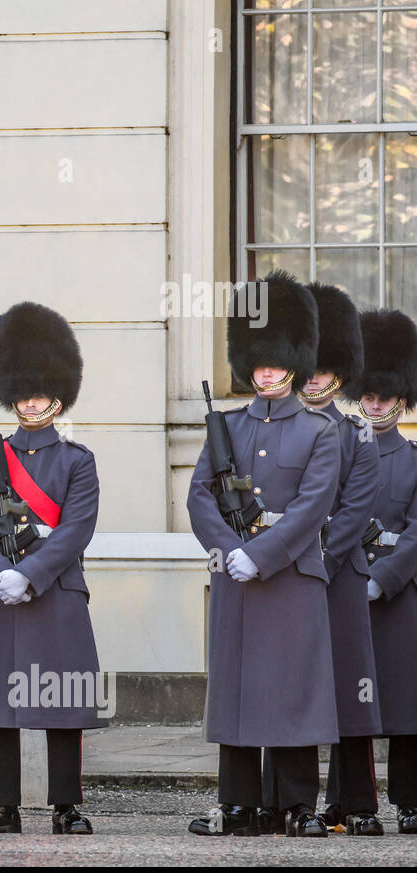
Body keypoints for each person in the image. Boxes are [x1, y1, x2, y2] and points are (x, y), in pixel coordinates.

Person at [187, 271, 339, 837]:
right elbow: (200, 495)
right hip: (236, 576)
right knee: (236, 691)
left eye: (275, 361)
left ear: (294, 362)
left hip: (291, 576)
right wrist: (230, 551)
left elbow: (312, 507)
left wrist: (264, 554)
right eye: (259, 361)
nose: (267, 370)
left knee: (292, 693)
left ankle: (299, 807)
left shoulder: (319, 432)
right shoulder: (227, 426)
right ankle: (238, 805)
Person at [0, 302, 102, 836]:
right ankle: (0, 806)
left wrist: (30, 575)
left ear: (58, 397)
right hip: (1, 592)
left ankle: (66, 805)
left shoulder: (76, 461)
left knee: (60, 701)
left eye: (40, 391)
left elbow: (75, 532)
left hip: (56, 591)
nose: (32, 399)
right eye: (24, 391)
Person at [263, 282, 382, 835]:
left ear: (340, 373)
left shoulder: (356, 432)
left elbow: (356, 511)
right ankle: (283, 799)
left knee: (349, 693)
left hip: (334, 576)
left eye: (322, 369)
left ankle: (355, 802)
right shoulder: (274, 426)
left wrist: (314, 564)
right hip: (289, 572)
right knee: (288, 688)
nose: (312, 377)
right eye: (305, 365)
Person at [345, 308, 417, 835]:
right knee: (354, 708)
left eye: (384, 396)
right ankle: (358, 805)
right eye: (368, 395)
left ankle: (411, 803)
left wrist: (384, 576)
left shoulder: (414, 459)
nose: (374, 405)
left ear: (402, 396)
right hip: (348, 591)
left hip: (400, 594)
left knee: (407, 710)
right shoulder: (342, 453)